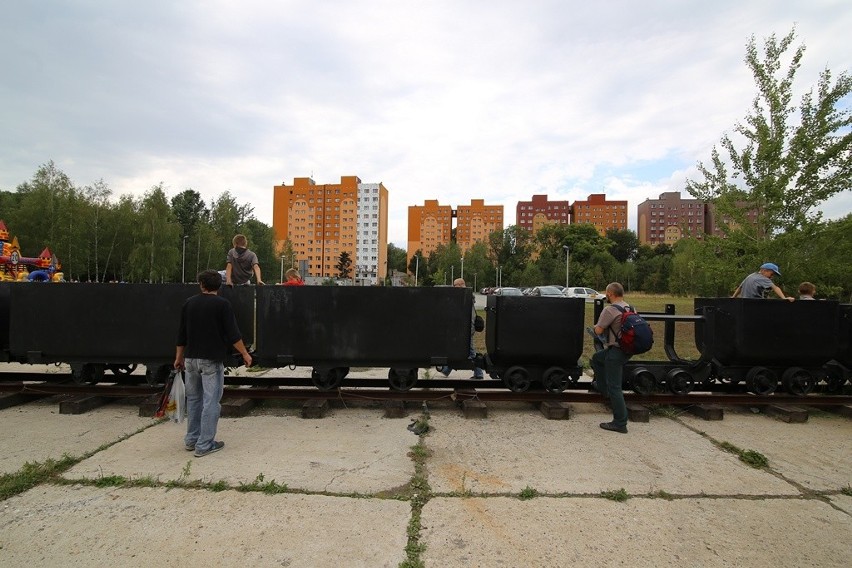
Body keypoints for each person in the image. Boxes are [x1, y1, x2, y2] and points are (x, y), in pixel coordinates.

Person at [174, 269, 252, 457]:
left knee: (193, 399)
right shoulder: (222, 304)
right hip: (211, 360)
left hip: (191, 359)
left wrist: (178, 357)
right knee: (211, 402)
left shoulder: (189, 303)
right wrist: (245, 353)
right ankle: (205, 444)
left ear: (202, 285)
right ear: (219, 286)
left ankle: (192, 439)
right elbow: (233, 334)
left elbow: (182, 334)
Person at [590, 282, 631, 434]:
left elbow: (599, 329)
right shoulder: (630, 307)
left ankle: (620, 423)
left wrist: (595, 328)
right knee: (597, 358)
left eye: (606, 294)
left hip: (616, 351)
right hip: (627, 349)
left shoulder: (610, 310)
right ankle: (603, 388)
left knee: (615, 387)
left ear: (610, 294)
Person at [440, 277, 484, 379]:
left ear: (460, 285)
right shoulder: (465, 295)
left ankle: (479, 373)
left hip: (468, 328)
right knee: (458, 348)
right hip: (465, 327)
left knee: (470, 351)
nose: (454, 287)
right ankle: (446, 370)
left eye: (455, 285)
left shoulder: (466, 296)